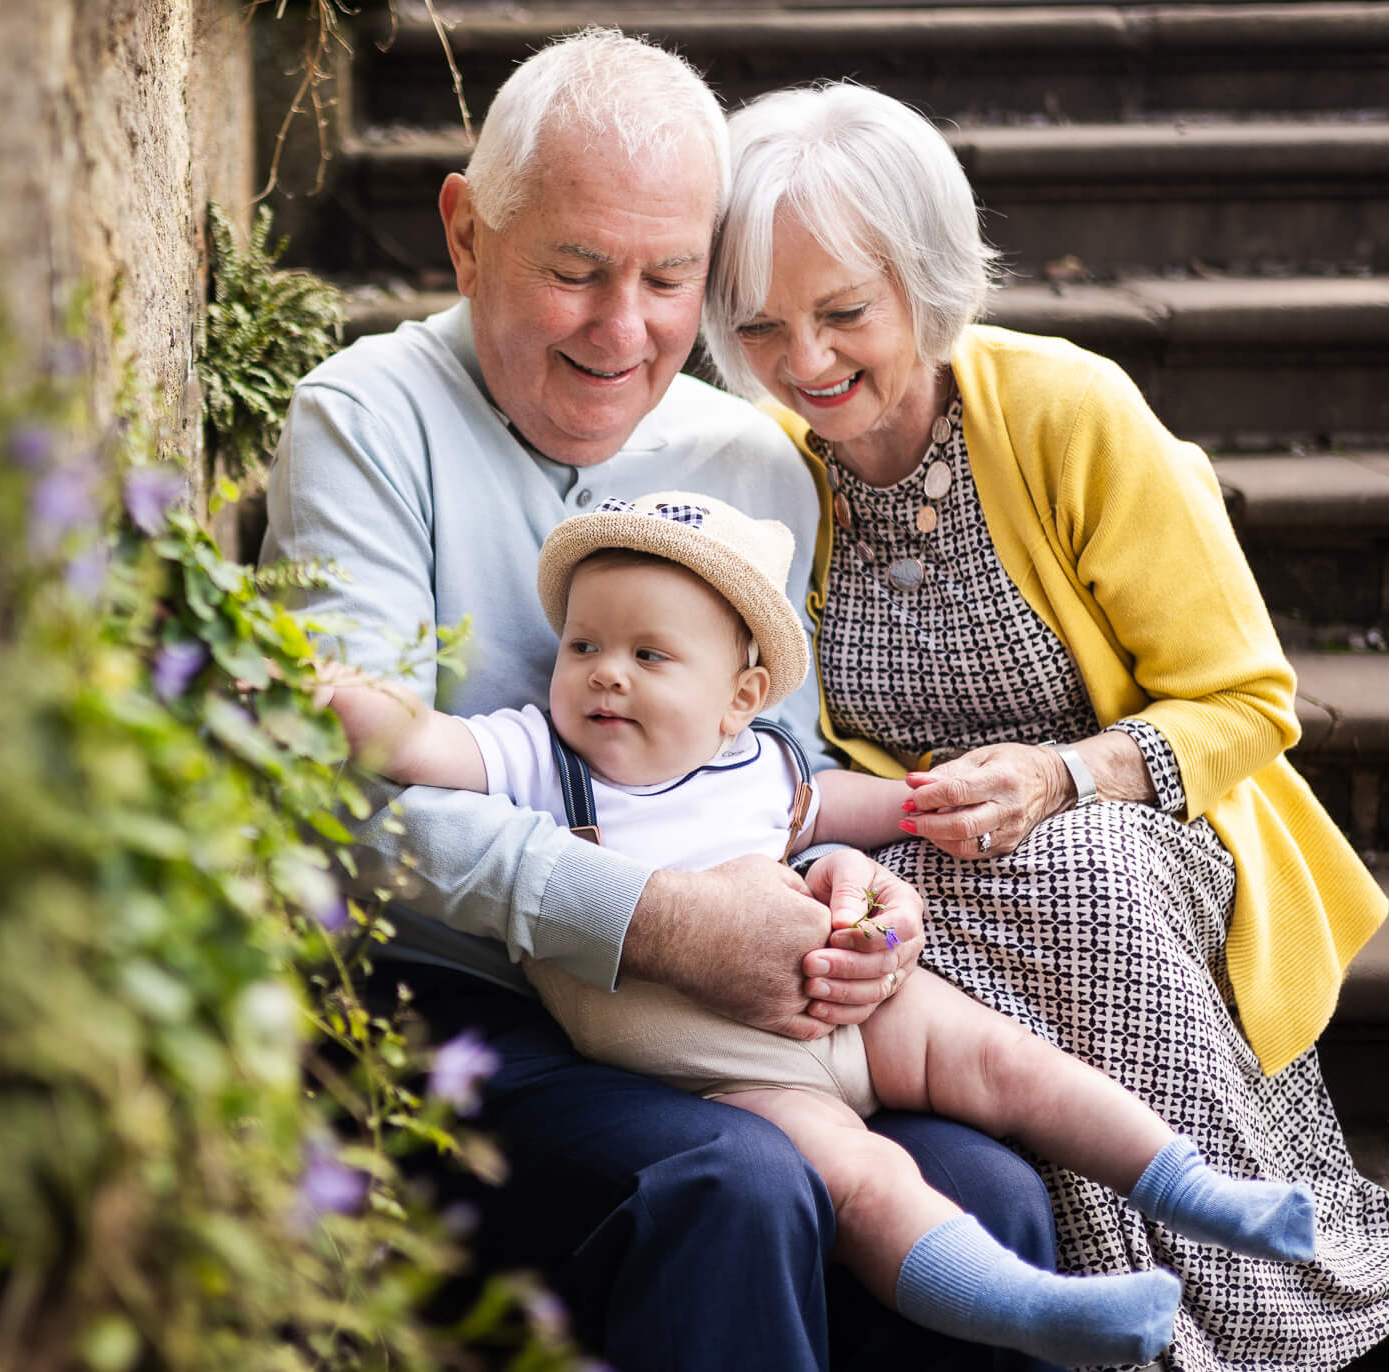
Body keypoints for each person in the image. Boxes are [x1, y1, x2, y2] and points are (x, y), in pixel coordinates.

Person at [258, 30, 1060, 1372]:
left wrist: (852, 886)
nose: (622, 331)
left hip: (724, 1027)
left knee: (997, 1200)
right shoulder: (366, 421)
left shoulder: (750, 461)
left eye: (669, 279)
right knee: (730, 1191)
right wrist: (649, 918)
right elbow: (353, 811)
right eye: (574, 271)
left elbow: (778, 774)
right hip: (455, 1017)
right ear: (468, 233)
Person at [699, 82, 1389, 1371]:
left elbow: (1248, 700)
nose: (803, 362)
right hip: (909, 851)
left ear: (925, 282)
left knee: (1072, 871)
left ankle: (1217, 1292)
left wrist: (1065, 771)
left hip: (1133, 825)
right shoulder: (766, 466)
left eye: (843, 314)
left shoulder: (1067, 410)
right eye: (760, 324)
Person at [319, 489, 1331, 1368]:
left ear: (740, 698)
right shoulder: (542, 756)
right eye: (581, 645)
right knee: (859, 1179)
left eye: (647, 654)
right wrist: (341, 706)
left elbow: (857, 806)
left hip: (842, 998)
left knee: (1009, 1062)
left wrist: (917, 812)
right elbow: (431, 748)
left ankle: (1200, 1187)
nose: (602, 674)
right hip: (718, 1065)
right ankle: (1027, 1305)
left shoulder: (762, 765)